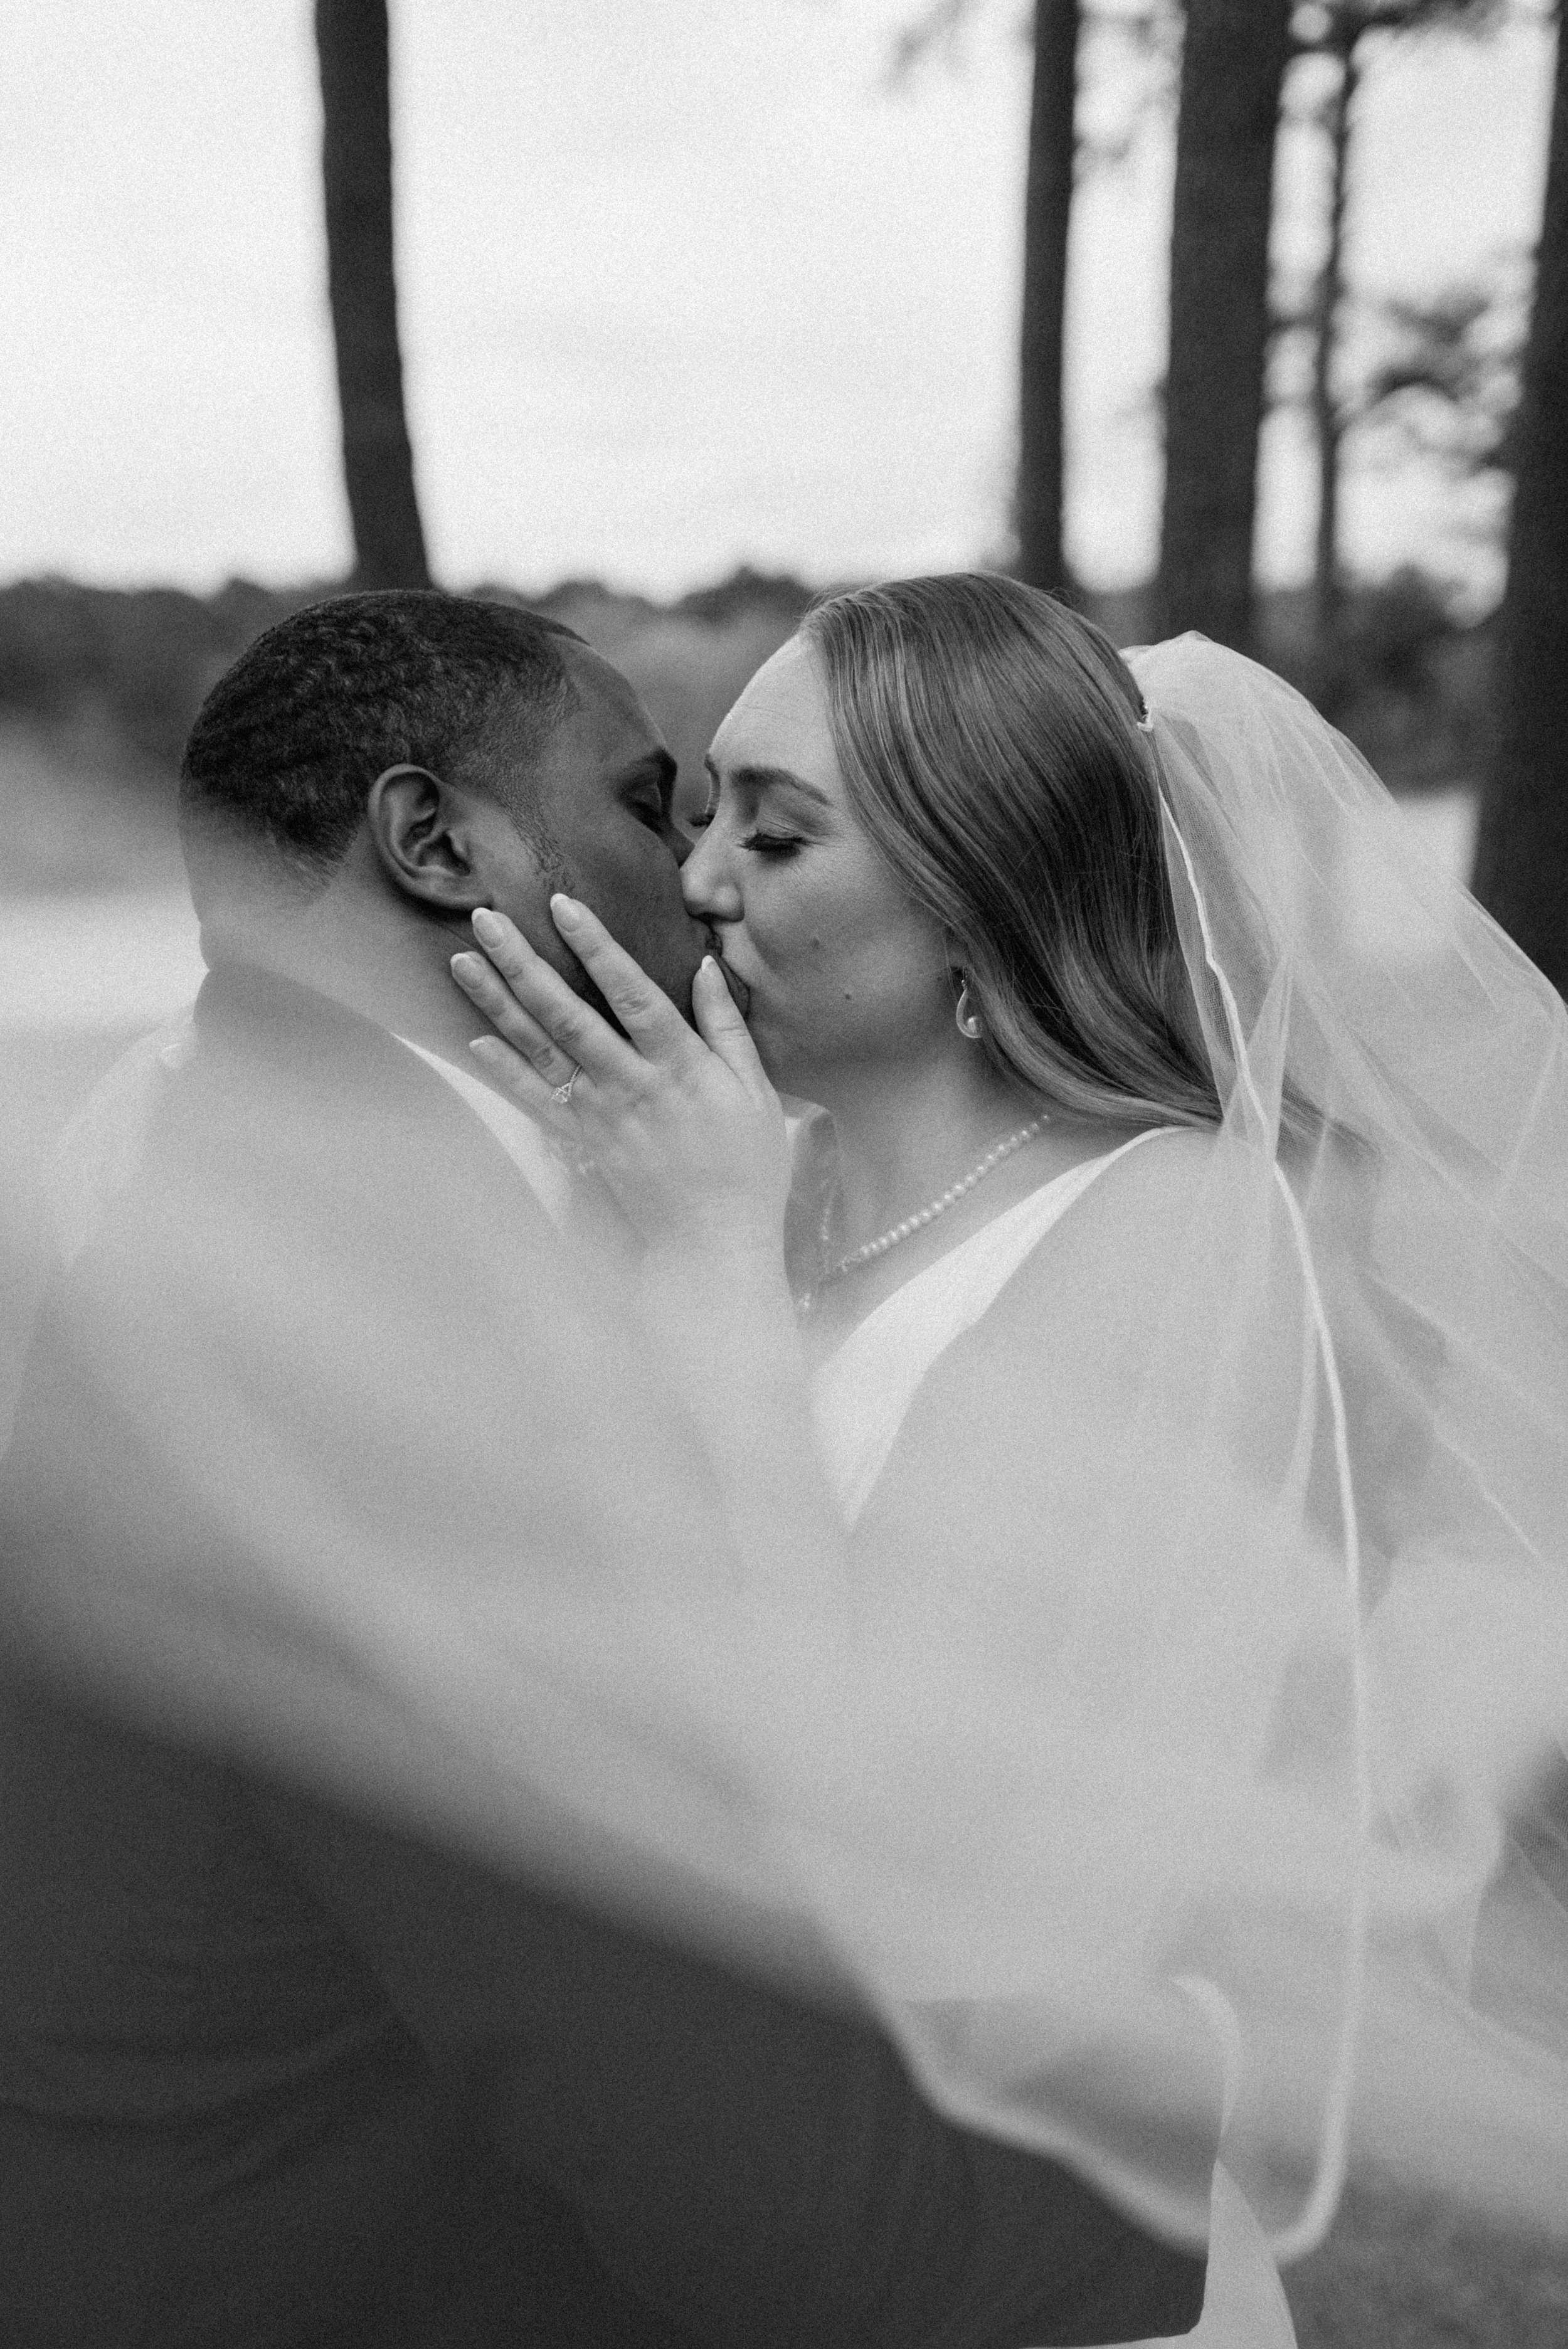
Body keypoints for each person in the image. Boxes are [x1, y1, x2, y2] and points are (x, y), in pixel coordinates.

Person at [0, 590, 1209, 2348]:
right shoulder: (377, 1336)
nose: (702, 877)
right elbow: (765, 2203)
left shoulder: (274, 1199)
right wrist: (1198, 2146)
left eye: (755, 825)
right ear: (434, 842)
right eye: (654, 807)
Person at [452, 573, 1568, 2340]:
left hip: (1023, 2272)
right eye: (704, 810)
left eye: (780, 831)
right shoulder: (739, 1181)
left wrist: (713, 1287)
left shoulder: (1179, 1230)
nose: (701, 876)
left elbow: (953, 1868)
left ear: (982, 893)